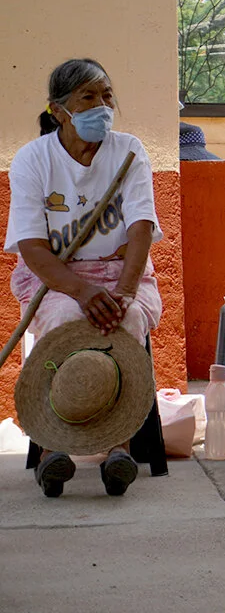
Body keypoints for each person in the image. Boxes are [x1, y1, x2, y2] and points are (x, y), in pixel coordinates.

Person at [6, 58, 163, 496]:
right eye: (88, 98)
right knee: (64, 322)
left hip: (121, 272)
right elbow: (33, 247)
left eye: (107, 95)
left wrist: (125, 292)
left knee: (126, 322)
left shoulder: (129, 150)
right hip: (56, 278)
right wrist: (81, 290)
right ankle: (55, 448)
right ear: (59, 109)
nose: (102, 106)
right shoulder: (32, 159)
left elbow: (141, 227)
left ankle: (119, 448)